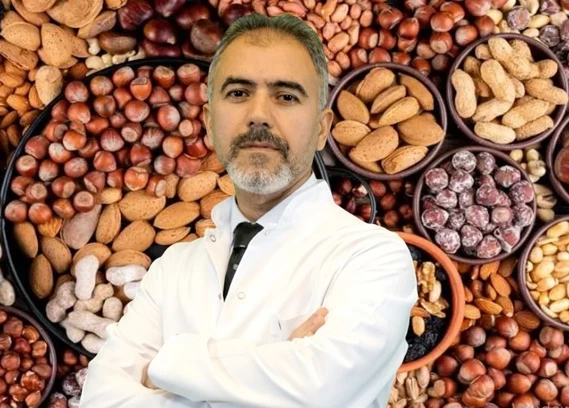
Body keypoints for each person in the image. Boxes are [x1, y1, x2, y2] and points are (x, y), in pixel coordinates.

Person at [79, 13, 417, 408]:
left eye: (286, 96)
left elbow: (321, 390)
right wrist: (277, 368)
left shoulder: (373, 257)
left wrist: (165, 368)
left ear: (323, 129)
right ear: (209, 122)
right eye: (238, 93)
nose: (259, 114)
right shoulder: (172, 269)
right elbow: (99, 400)